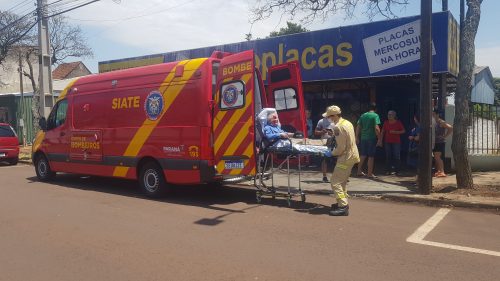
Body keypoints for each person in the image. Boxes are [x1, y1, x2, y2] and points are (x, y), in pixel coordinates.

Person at [323, 105, 360, 216]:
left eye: (329, 117)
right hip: (352, 155)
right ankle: (341, 202)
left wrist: (331, 153)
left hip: (345, 158)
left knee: (335, 182)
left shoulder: (338, 127)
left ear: (334, 116)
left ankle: (343, 206)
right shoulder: (347, 123)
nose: (328, 119)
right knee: (342, 181)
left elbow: (340, 148)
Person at [356, 103, 381, 178]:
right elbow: (376, 128)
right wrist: (379, 138)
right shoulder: (375, 115)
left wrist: (356, 137)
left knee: (363, 155)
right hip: (371, 138)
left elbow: (358, 127)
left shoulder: (363, 115)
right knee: (371, 156)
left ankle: (358, 171)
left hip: (363, 138)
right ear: (375, 109)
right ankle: (369, 173)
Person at [377, 110, 405, 175]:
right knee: (388, 156)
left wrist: (396, 132)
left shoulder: (398, 122)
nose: (389, 116)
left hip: (396, 142)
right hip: (387, 141)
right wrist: (380, 140)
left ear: (394, 116)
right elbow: (383, 131)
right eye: (388, 114)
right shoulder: (386, 122)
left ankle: (397, 171)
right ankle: (388, 170)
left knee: (396, 156)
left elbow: (403, 131)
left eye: (391, 114)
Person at [432, 109, 453, 177]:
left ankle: (442, 171)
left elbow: (450, 128)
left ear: (437, 114)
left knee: (437, 157)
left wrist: (445, 136)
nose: (432, 115)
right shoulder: (433, 122)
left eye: (433, 114)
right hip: (434, 142)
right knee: (436, 157)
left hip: (439, 142)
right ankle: (439, 171)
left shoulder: (441, 122)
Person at [315, 107, 333, 182]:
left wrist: (333, 133)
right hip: (325, 142)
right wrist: (322, 132)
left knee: (338, 159)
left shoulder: (336, 121)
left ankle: (340, 175)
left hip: (335, 142)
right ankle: (324, 176)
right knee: (325, 159)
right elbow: (315, 132)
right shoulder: (321, 121)